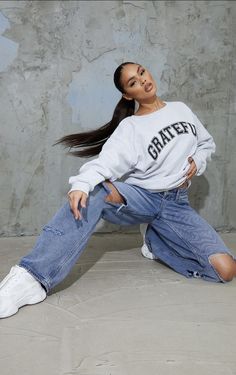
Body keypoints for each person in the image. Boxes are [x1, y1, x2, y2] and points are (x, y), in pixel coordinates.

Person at [0, 61, 236, 319]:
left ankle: (157, 244)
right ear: (128, 94)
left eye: (142, 72)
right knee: (95, 191)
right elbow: (106, 163)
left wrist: (197, 160)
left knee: (225, 270)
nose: (143, 81)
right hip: (142, 198)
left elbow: (206, 144)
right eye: (133, 82)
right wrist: (81, 184)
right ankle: (31, 277)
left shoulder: (181, 109)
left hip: (176, 204)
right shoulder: (131, 128)